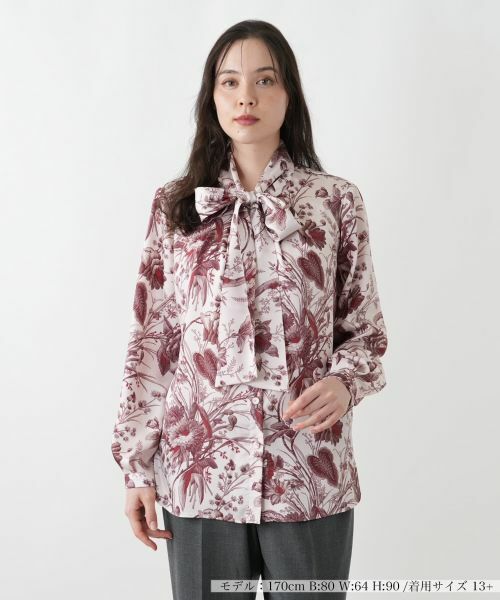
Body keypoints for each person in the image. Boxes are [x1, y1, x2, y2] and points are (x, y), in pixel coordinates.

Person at [110, 19, 388, 600]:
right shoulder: (175, 206)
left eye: (265, 80)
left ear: (289, 94)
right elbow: (152, 343)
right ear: (211, 98)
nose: (246, 98)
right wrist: (137, 467)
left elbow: (364, 332)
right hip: (199, 475)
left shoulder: (335, 202)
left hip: (307, 471)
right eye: (230, 82)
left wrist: (345, 383)